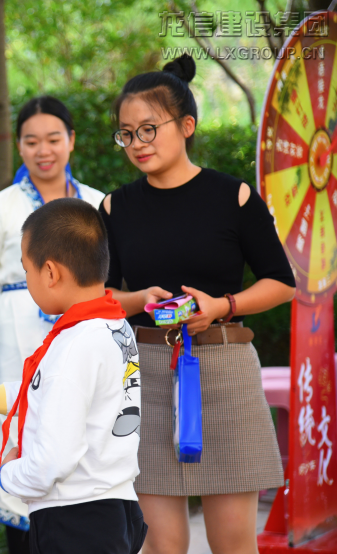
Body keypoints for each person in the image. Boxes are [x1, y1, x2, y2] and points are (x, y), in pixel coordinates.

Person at [100, 54, 296, 554]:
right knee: (161, 545)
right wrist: (137, 299)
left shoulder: (234, 196)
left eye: (149, 129)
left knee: (233, 544)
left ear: (186, 125)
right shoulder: (114, 207)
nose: (137, 144)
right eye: (127, 134)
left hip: (225, 369)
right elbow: (100, 298)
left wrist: (223, 305)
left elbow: (282, 282)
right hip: (145, 374)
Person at [0, 198, 147, 554]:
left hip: (75, 519)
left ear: (50, 273)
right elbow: (56, 392)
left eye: (26, 269)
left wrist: (9, 473)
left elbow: (53, 459)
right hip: (115, 506)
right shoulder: (115, 326)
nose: (27, 279)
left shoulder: (73, 344)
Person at [0, 96, 104, 552]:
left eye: (54, 139)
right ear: (18, 146)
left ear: (72, 141)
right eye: (32, 141)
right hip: (15, 343)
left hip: (88, 336)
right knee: (19, 434)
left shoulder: (99, 205)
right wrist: (14, 319)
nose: (44, 150)